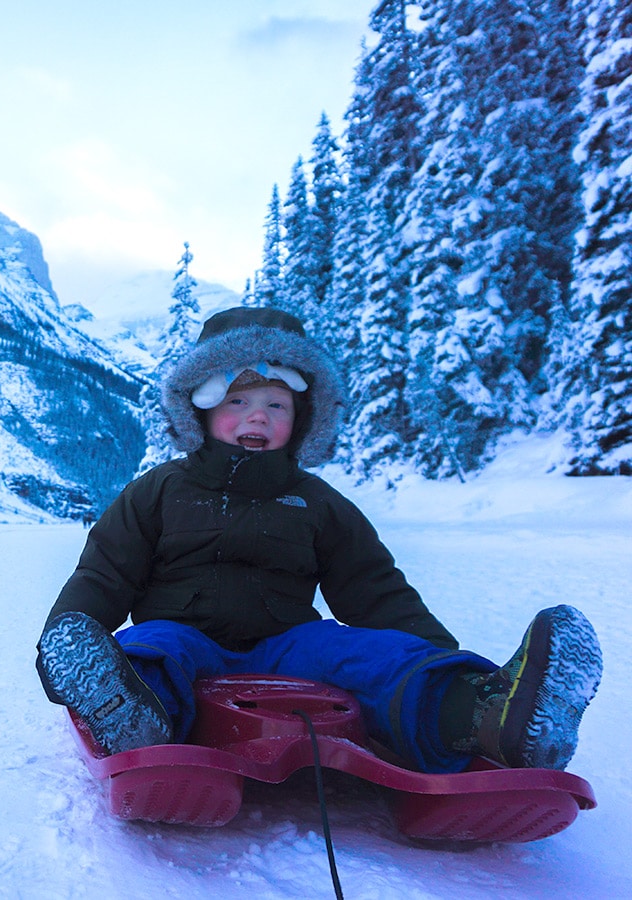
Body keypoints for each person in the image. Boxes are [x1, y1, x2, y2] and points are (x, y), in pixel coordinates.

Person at [36, 307, 603, 774]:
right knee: (154, 649)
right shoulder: (158, 490)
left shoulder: (317, 501)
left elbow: (374, 589)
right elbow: (104, 574)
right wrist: (67, 637)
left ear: (301, 420)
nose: (255, 417)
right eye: (238, 401)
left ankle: (483, 713)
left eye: (275, 405)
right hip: (186, 635)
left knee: (364, 654)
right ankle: (129, 714)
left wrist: (438, 657)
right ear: (202, 411)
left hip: (286, 645)